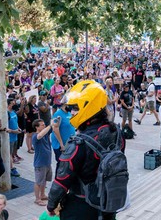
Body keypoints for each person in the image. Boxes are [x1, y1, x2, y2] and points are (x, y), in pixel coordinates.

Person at [48, 80, 126, 219]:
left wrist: (51, 205)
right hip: (108, 202)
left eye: (75, 108)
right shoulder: (117, 133)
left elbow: (62, 180)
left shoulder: (78, 142)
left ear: (88, 107)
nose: (72, 112)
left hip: (82, 206)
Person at [32, 119, 55, 206]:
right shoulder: (36, 136)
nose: (44, 126)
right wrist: (50, 125)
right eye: (42, 125)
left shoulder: (46, 134)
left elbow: (53, 128)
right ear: (36, 127)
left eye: (44, 124)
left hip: (47, 162)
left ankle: (42, 194)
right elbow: (40, 135)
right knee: (38, 182)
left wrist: (55, 121)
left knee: (44, 180)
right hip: (40, 163)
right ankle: (37, 199)